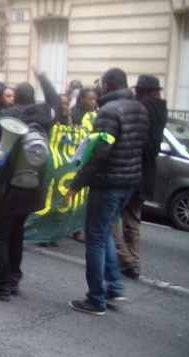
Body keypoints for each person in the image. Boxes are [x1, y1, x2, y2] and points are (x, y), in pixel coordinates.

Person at [62, 68, 149, 315]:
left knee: (96, 238)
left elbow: (100, 152)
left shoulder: (109, 112)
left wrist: (76, 183)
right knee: (107, 232)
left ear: (108, 86)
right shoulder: (140, 109)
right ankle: (114, 287)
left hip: (107, 184)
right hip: (129, 183)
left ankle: (95, 298)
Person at [0, 72, 61, 302]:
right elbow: (55, 101)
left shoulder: (8, 115)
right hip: (33, 186)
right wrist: (45, 78)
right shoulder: (45, 115)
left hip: (9, 187)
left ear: (15, 97)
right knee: (17, 232)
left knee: (1, 236)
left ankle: (1, 285)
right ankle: (14, 278)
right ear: (34, 97)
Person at [111, 75, 167, 280]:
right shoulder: (159, 109)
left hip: (132, 171)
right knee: (133, 220)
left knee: (110, 218)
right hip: (146, 174)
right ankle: (134, 263)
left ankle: (125, 258)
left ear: (143, 92)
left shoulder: (142, 109)